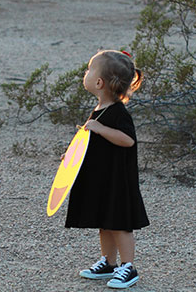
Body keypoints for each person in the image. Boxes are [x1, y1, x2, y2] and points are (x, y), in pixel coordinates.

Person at [64, 50, 148, 289]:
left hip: (118, 180)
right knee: (105, 222)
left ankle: (128, 266)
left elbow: (127, 140)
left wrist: (99, 128)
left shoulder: (118, 113)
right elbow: (93, 145)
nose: (85, 73)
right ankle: (109, 263)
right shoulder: (100, 110)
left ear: (99, 82)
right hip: (103, 179)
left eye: (89, 70)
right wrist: (71, 157)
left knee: (120, 223)